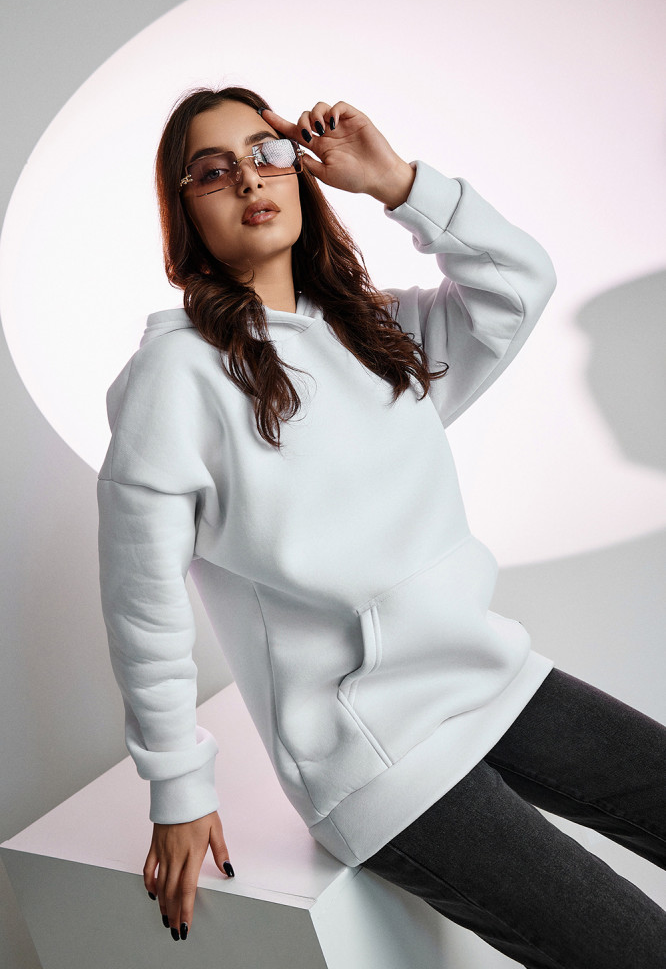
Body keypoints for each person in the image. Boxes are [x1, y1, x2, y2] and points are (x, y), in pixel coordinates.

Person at [96, 87, 666, 966]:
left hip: (490, 681)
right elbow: (143, 601)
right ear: (185, 213)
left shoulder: (376, 329)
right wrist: (177, 785)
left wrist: (398, 181)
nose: (249, 178)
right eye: (212, 171)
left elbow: (520, 284)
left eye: (267, 153)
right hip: (379, 763)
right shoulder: (175, 375)